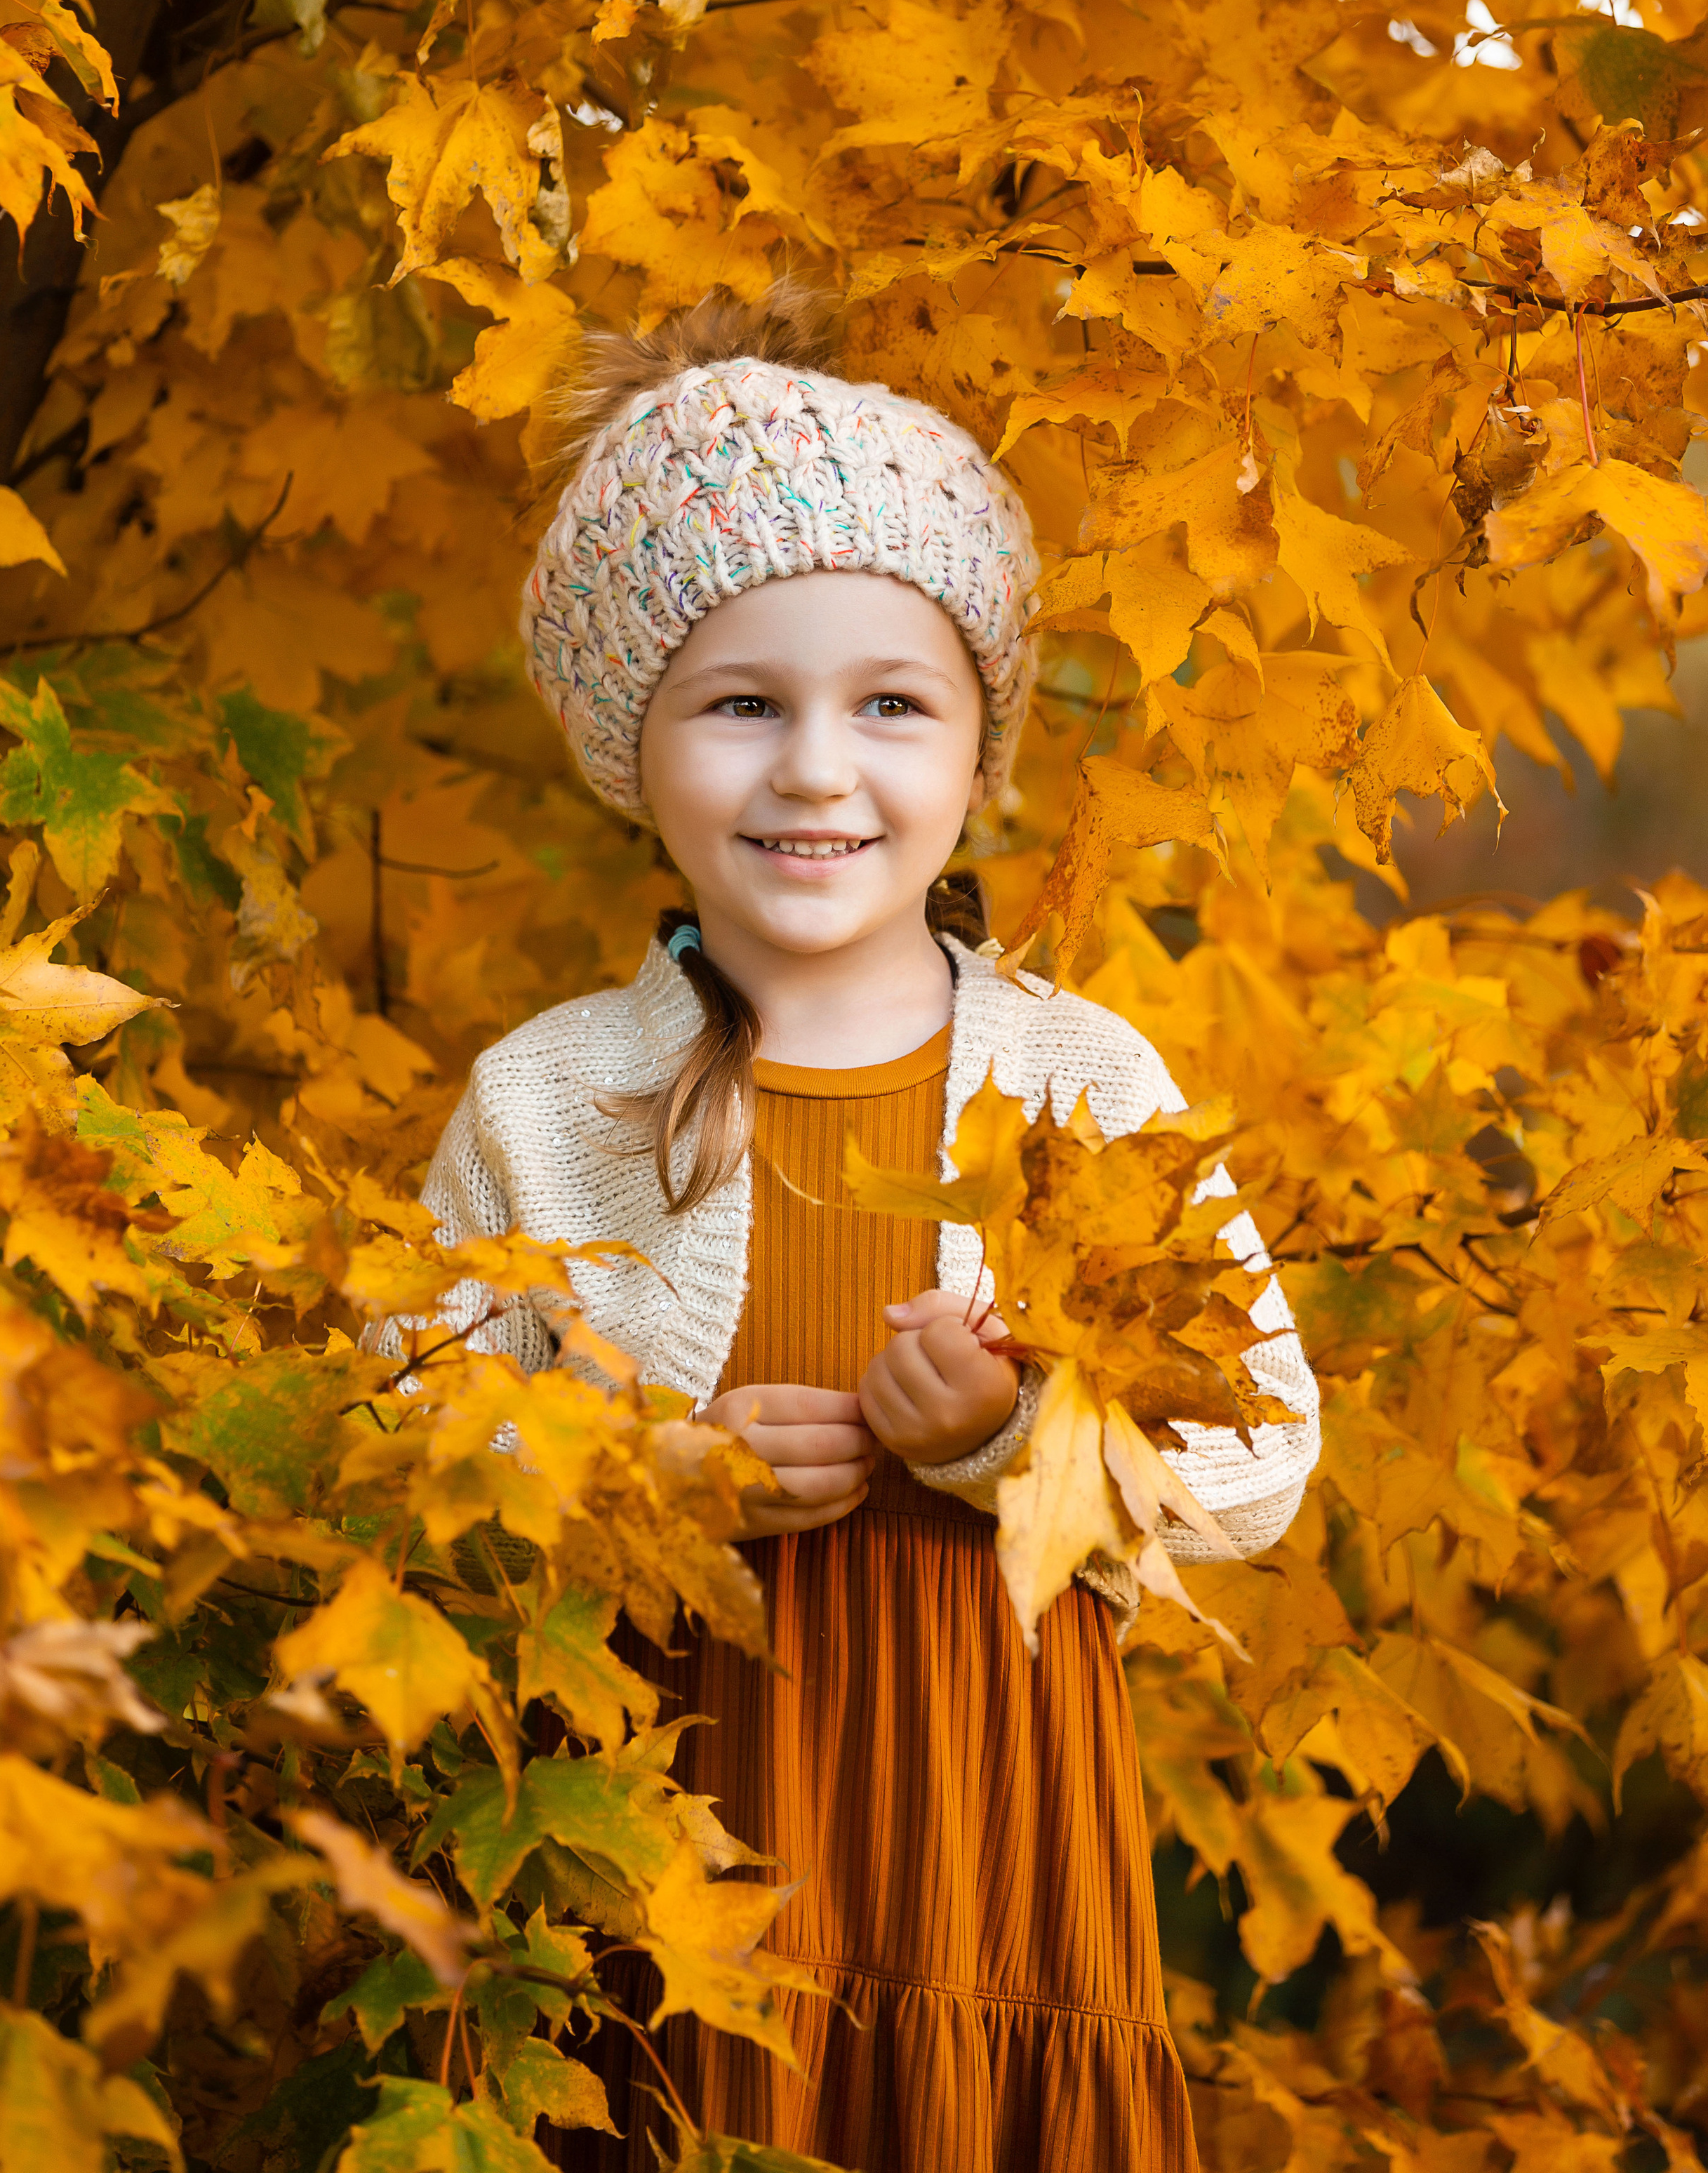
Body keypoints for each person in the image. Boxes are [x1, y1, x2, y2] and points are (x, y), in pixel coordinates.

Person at [411, 282, 1321, 2171]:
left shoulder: (1083, 1079)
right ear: (630, 744)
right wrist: (628, 1484)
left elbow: (1258, 1458)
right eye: (744, 705)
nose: (819, 770)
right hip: (672, 1885)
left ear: (978, 745)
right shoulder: (550, 1101)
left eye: (890, 705)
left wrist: (1010, 1445)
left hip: (1000, 1876)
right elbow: (402, 1446)